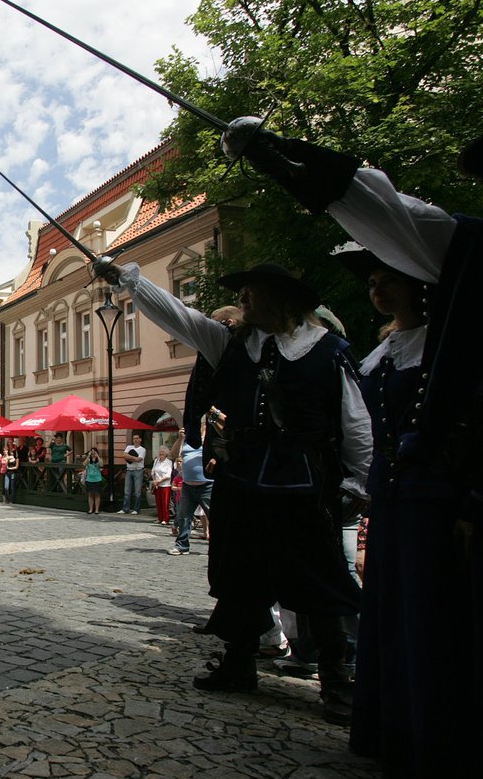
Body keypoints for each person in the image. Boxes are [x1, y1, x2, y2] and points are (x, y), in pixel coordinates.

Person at [225, 122, 483, 778]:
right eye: (369, 280)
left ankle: (348, 683)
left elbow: (357, 421)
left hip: (351, 484)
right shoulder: (337, 350)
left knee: (331, 581)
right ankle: (383, 717)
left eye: (383, 276)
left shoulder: (337, 349)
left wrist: (278, 154)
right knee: (378, 604)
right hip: (373, 490)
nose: (375, 286)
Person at [91, 255, 370, 726]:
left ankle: (335, 680)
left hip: (302, 483)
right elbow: (182, 317)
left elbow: (355, 420)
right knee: (241, 574)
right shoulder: (233, 344)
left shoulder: (329, 350)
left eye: (250, 293)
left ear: (280, 301)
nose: (241, 301)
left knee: (317, 580)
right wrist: (129, 282)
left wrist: (358, 479)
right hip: (243, 481)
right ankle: (239, 663)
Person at [170, 435, 212, 556]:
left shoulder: (208, 439)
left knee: (214, 516)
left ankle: (217, 547)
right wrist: (179, 438)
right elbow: (173, 454)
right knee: (184, 516)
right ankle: (182, 545)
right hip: (187, 485)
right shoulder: (186, 440)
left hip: (207, 485)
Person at [117, 434, 146, 514]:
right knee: (127, 491)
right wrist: (133, 458)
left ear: (140, 440)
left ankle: (136, 509)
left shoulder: (142, 449)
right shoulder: (129, 447)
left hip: (138, 470)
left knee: (137, 491)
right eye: (134, 438)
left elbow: (139, 459)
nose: (135, 440)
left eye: (137, 438)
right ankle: (125, 508)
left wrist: (129, 457)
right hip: (129, 470)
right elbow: (124, 455)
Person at [150, 446, 174, 526]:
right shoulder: (156, 460)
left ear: (166, 453)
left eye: (163, 452)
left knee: (165, 503)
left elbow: (168, 475)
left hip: (165, 485)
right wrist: (154, 481)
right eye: (160, 452)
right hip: (157, 485)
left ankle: (165, 519)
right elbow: (153, 471)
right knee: (158, 502)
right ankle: (160, 518)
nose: (161, 453)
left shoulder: (169, 462)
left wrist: (158, 481)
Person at [82, 447, 104, 514]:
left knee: (97, 495)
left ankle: (97, 509)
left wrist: (98, 456)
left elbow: (101, 464)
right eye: (92, 452)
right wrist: (88, 456)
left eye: (94, 452)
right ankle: (91, 509)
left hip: (97, 479)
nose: (93, 453)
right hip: (89, 479)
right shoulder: (89, 459)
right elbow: (84, 464)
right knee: (90, 495)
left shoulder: (99, 459)